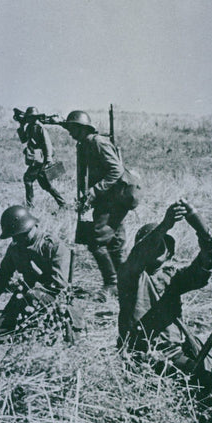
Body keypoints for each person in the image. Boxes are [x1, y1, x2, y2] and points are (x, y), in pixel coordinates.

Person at [118, 201, 212, 401]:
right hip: (145, 354)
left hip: (172, 352)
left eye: (162, 244)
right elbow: (139, 255)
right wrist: (165, 224)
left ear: (170, 253)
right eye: (154, 244)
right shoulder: (130, 276)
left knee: (208, 383)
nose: (157, 248)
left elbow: (196, 275)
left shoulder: (170, 276)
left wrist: (206, 252)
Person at [0, 205, 83, 339]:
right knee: (1, 317)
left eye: (19, 236)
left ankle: (1, 330)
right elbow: (3, 276)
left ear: (29, 229)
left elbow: (59, 286)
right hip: (27, 297)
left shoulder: (53, 247)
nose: (15, 240)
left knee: (24, 303)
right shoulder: (16, 248)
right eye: (14, 237)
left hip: (53, 302)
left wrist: (37, 280)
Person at [64, 110, 140, 301]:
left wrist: (95, 191)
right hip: (106, 199)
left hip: (113, 200)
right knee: (114, 243)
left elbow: (116, 170)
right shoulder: (83, 145)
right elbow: (83, 174)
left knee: (96, 241)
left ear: (82, 128)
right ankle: (125, 283)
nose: (69, 132)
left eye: (72, 128)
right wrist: (84, 197)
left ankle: (112, 283)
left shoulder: (98, 142)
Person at [16, 107, 66, 209]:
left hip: (39, 160)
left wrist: (48, 159)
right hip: (36, 158)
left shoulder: (40, 128)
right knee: (45, 185)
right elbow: (23, 140)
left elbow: (47, 144)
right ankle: (62, 203)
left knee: (27, 179)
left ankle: (30, 205)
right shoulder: (30, 127)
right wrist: (21, 126)